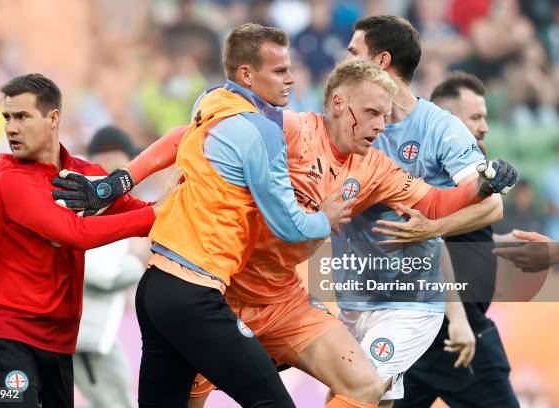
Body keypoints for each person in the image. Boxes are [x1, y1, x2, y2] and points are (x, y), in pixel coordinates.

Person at [56, 59, 518, 408]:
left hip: (284, 300)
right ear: (339, 105)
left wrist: (480, 184)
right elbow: (187, 136)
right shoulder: (290, 130)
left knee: (367, 384)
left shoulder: (375, 166)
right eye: (373, 112)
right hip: (218, 295)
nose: (382, 124)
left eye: (386, 115)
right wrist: (120, 180)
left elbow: (435, 203)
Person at [56, 23, 356, 408]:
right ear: (247, 74)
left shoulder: (211, 101)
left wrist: (119, 181)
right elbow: (289, 225)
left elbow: (180, 135)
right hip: (194, 294)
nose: (292, 78)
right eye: (280, 71)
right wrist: (325, 219)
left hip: (156, 289)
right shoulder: (261, 132)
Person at [330, 16, 505, 408]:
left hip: (410, 302)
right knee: (372, 397)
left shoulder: (441, 130)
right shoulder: (346, 122)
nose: (344, 61)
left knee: (362, 390)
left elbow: (493, 204)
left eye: (353, 52)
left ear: (381, 61)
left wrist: (432, 228)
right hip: (353, 295)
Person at [0, 73, 165, 408]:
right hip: (5, 333)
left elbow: (142, 211)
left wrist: (176, 209)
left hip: (59, 340)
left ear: (53, 117)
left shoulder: (84, 173)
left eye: (22, 116)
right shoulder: (8, 181)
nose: (11, 128)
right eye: (7, 118)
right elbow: (74, 234)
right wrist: (155, 216)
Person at [393, 71, 520, 408]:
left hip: (424, 330)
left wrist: (501, 244)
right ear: (446, 123)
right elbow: (430, 242)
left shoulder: (461, 175)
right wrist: (459, 319)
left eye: (485, 117)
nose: (485, 127)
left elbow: (458, 231)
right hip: (455, 329)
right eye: (475, 117)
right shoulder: (433, 178)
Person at [72, 126, 146, 408]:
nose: (131, 170)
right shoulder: (91, 201)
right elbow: (100, 271)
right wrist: (137, 263)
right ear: (112, 157)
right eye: (127, 160)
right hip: (87, 336)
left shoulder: (98, 199)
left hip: (87, 332)